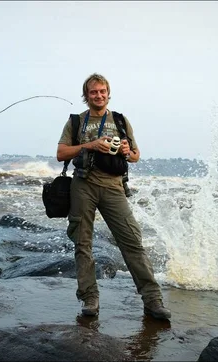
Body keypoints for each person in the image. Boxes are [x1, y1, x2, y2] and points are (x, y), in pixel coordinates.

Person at [56, 73, 172, 320]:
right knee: (82, 243)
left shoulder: (120, 120)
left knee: (132, 241)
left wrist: (129, 151)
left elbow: (136, 155)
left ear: (108, 93)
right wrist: (90, 145)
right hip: (83, 184)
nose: (98, 95)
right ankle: (90, 298)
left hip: (114, 186)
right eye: (93, 92)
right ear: (86, 96)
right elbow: (61, 153)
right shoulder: (76, 122)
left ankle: (153, 300)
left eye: (102, 91)